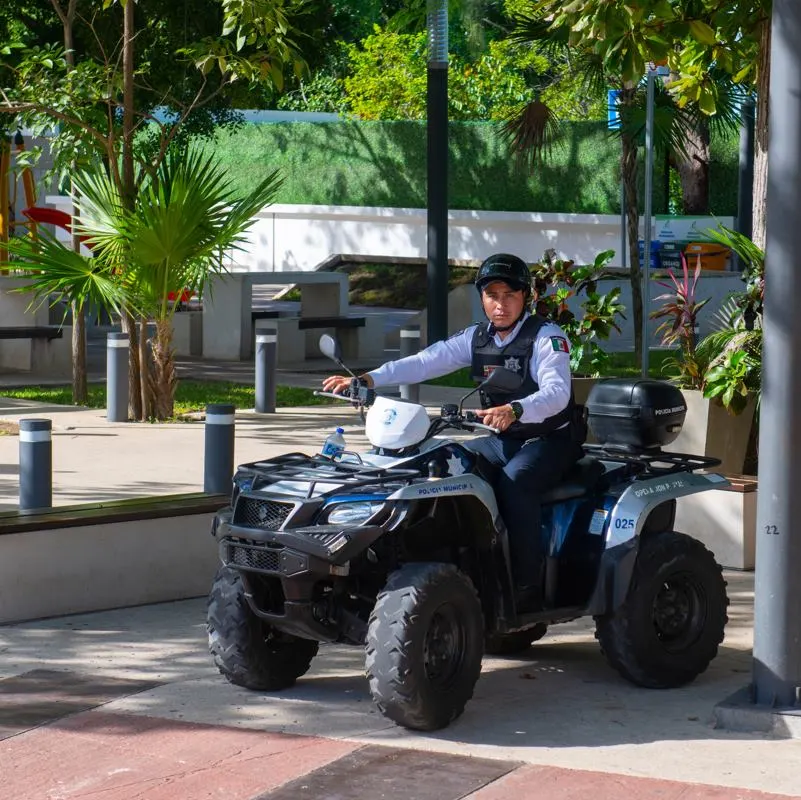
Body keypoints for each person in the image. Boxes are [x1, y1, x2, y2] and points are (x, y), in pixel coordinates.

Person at [322, 253, 584, 608]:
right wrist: (369, 377)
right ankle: (471, 563)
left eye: (509, 295)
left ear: (526, 297)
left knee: (515, 485)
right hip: (502, 440)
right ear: (482, 298)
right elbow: (427, 360)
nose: (500, 304)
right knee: (448, 464)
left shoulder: (545, 337)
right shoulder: (477, 338)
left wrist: (515, 409)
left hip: (549, 440)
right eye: (492, 295)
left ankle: (526, 585)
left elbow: (557, 393)